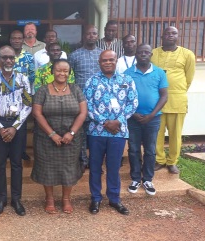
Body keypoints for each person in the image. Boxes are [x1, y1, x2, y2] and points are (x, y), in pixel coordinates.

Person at [84, 50, 138, 215]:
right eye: (104, 60)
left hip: (118, 132)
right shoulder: (91, 81)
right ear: (99, 63)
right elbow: (87, 105)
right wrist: (104, 122)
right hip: (96, 132)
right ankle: (96, 198)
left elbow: (133, 102)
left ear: (116, 61)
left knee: (114, 167)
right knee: (95, 167)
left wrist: (118, 122)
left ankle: (114, 199)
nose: (108, 63)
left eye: (111, 60)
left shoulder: (127, 80)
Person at [31, 59, 87, 214]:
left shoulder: (76, 89)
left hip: (71, 139)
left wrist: (72, 133)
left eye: (65, 71)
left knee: (69, 167)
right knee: (47, 168)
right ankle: (49, 199)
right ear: (52, 72)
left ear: (69, 73)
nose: (62, 73)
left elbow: (83, 112)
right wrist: (52, 134)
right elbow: (37, 113)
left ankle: (66, 199)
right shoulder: (43, 90)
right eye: (58, 70)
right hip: (46, 138)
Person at [0, 46, 32, 216]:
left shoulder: (23, 79)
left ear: (15, 59)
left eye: (11, 57)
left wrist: (14, 127)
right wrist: (0, 127)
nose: (8, 61)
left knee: (16, 163)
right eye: (4, 57)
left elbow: (28, 104)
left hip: (17, 125)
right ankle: (1, 199)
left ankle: (16, 199)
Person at [124, 44, 168, 195]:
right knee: (134, 149)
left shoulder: (159, 73)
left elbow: (164, 95)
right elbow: (123, 96)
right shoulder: (128, 73)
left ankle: (148, 179)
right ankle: (135, 178)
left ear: (151, 55)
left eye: (146, 52)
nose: (143, 54)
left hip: (153, 118)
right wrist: (133, 112)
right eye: (140, 52)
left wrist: (151, 115)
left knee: (150, 149)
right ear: (135, 54)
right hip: (133, 118)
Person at [152, 26, 196, 174]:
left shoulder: (187, 54)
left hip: (177, 100)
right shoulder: (153, 53)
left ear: (178, 36)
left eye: (174, 33)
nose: (170, 35)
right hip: (157, 101)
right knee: (157, 133)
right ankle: (159, 160)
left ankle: (172, 161)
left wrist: (177, 90)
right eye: (167, 33)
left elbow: (188, 78)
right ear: (162, 36)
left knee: (175, 134)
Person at [68, 25, 102, 170]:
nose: (91, 36)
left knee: (96, 133)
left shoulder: (102, 55)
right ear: (84, 36)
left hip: (99, 102)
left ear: (97, 36)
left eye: (94, 33)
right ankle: (82, 160)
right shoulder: (74, 55)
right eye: (88, 34)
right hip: (79, 101)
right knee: (80, 133)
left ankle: (96, 162)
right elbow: (70, 79)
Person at [9, 30, 35, 161]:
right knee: (8, 121)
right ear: (10, 40)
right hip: (6, 95)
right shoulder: (5, 56)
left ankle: (22, 151)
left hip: (23, 96)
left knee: (22, 124)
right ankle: (9, 150)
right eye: (14, 38)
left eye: (19, 38)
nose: (16, 40)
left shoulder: (29, 57)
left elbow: (32, 77)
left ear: (23, 40)